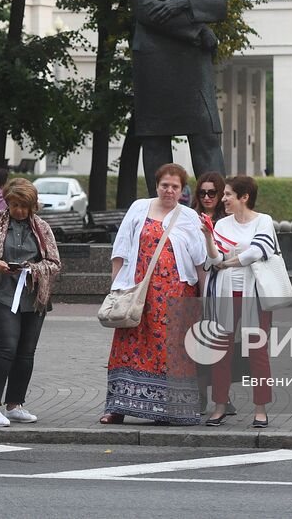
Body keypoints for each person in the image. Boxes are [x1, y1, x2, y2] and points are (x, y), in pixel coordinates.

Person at [120, 0, 227, 189]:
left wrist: (181, 1)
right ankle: (161, 207)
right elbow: (148, 10)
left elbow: (219, 5)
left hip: (194, 62)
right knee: (155, 139)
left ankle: (216, 208)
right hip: (156, 61)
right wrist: (198, 30)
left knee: (207, 137)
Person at [100, 163, 208, 425]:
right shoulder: (139, 208)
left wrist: (203, 298)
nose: (169, 191)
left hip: (177, 294)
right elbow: (121, 248)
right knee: (128, 345)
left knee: (171, 350)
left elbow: (199, 260)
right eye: (165, 185)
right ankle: (117, 407)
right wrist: (117, 287)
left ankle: (168, 410)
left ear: (182, 190)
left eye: (175, 187)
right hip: (139, 293)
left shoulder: (189, 217)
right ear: (157, 186)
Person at [0, 178, 62, 427]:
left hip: (33, 298)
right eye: (14, 205)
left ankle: (15, 404)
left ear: (33, 206)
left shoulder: (42, 227)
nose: (19, 210)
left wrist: (34, 269)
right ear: (7, 203)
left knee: (26, 352)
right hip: (0, 295)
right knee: (6, 347)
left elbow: (54, 263)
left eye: (24, 206)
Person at [202, 175, 279, 429]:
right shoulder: (222, 225)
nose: (222, 199)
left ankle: (260, 409)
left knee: (257, 351)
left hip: (254, 295)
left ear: (244, 197)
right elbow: (215, 259)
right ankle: (220, 406)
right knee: (221, 351)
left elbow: (257, 251)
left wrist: (228, 263)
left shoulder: (263, 221)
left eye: (227, 195)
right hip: (225, 293)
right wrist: (208, 237)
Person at [189, 169, 228, 415]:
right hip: (195, 287)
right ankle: (201, 395)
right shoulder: (190, 218)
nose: (206, 197)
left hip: (221, 287)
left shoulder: (227, 220)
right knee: (199, 344)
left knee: (223, 345)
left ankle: (223, 396)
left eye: (212, 193)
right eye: (202, 193)